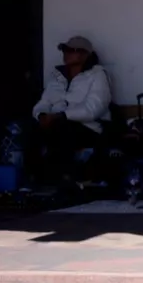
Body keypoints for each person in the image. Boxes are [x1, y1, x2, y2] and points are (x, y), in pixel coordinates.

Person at [30, 35, 112, 186]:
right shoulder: (57, 76)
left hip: (87, 128)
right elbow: (45, 101)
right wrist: (41, 115)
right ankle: (34, 180)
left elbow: (94, 109)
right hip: (56, 122)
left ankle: (65, 180)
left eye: (71, 50)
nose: (66, 54)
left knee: (63, 131)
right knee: (29, 129)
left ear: (85, 54)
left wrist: (62, 116)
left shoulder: (97, 75)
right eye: (65, 50)